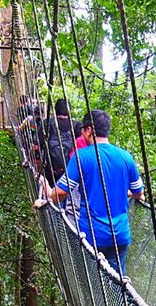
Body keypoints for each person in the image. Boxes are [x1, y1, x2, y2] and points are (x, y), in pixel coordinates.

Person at [42, 109, 142, 276]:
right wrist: (126, 193)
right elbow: (138, 193)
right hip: (120, 235)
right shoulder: (126, 157)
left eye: (82, 130)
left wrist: (46, 199)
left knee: (90, 281)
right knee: (118, 283)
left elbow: (61, 192)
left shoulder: (82, 157)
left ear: (89, 130)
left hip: (92, 236)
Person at [45, 98, 78, 186]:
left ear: (55, 110)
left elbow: (38, 145)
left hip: (50, 170)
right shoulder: (76, 125)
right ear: (69, 111)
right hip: (70, 170)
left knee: (51, 190)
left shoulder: (47, 123)